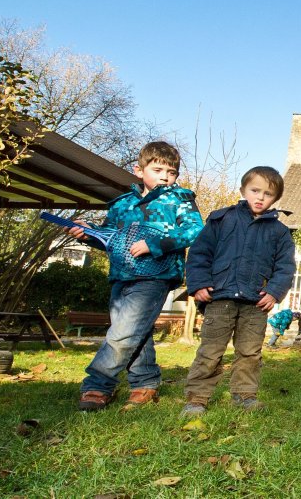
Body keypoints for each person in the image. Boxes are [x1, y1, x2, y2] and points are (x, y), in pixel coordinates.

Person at [73, 141, 203, 411]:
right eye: (158, 170)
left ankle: (98, 385)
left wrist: (155, 245)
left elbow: (195, 231)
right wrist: (88, 234)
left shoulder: (179, 199)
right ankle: (145, 383)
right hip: (121, 275)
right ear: (139, 170)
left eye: (171, 172)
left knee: (122, 334)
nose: (165, 177)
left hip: (156, 276)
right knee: (135, 332)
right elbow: (109, 238)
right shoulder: (122, 205)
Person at [179, 166, 296, 416]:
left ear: (275, 199)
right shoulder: (222, 220)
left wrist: (274, 292)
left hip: (256, 302)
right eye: (255, 190)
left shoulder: (279, 232)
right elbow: (200, 254)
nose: (260, 197)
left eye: (268, 194)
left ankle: (244, 395)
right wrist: (198, 284)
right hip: (219, 297)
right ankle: (197, 398)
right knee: (210, 351)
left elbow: (285, 267)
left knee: (250, 352)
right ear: (243, 190)